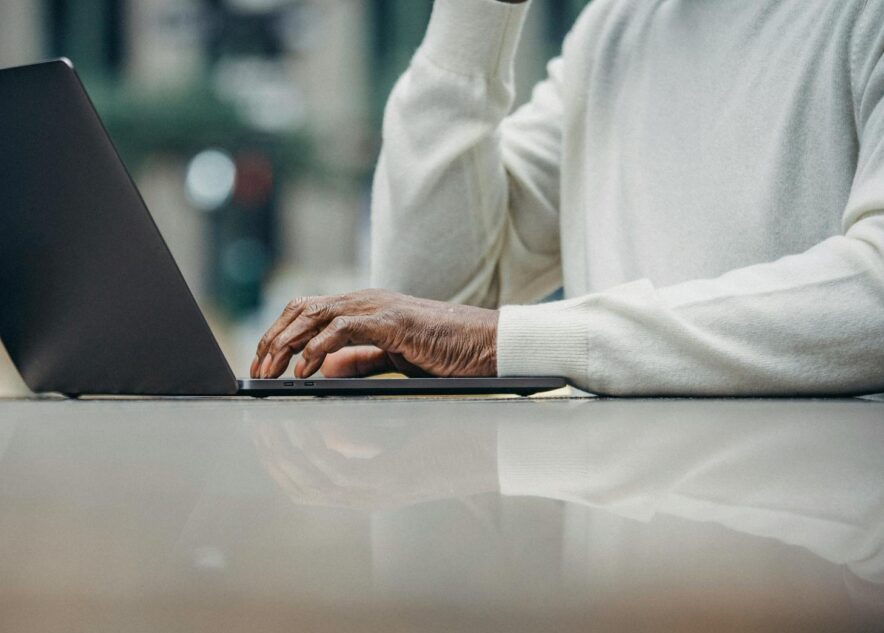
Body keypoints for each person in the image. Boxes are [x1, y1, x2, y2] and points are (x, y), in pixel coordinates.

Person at [251, 0, 884, 395]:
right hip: (610, 573)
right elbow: (434, 297)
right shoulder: (615, 26)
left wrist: (507, 343)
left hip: (820, 582)